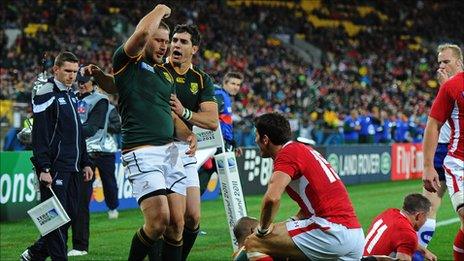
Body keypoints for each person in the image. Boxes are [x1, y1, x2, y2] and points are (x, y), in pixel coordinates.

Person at [87, 5, 197, 260]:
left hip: (171, 152)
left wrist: (187, 134)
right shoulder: (128, 62)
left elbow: (168, 113)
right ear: (146, 39)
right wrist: (159, 9)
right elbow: (138, 37)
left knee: (176, 226)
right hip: (142, 151)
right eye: (158, 40)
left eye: (166, 42)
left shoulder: (165, 75)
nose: (164, 46)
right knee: (159, 220)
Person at [239, 112, 364, 260]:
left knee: (254, 243)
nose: (255, 140)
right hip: (355, 236)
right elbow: (312, 202)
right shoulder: (303, 150)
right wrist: (289, 222)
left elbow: (272, 198)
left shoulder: (286, 154)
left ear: (265, 139)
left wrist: (262, 230)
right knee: (284, 247)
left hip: (332, 231)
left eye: (257, 135)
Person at [21, 51, 94, 261]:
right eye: (67, 71)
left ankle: (34, 254)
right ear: (56, 70)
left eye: (74, 71)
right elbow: (40, 134)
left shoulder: (70, 94)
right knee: (56, 222)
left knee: (67, 218)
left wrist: (86, 161)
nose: (72, 76)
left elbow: (77, 132)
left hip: (73, 167)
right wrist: (43, 168)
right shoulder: (46, 93)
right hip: (54, 168)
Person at [164, 24, 218, 260]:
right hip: (159, 147)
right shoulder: (158, 70)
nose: (176, 44)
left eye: (183, 42)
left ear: (194, 49)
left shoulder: (202, 79)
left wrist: (185, 112)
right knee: (166, 219)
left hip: (185, 149)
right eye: (174, 40)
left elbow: (212, 121)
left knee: (193, 217)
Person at [67, 71, 120, 257]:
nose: (81, 85)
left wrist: (67, 131)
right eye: (79, 81)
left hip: (100, 150)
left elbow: (96, 127)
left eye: (84, 82)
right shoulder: (71, 98)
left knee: (104, 184)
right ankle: (58, 242)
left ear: (93, 82)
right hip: (77, 151)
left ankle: (81, 244)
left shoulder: (102, 101)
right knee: (73, 198)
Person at [417, 43, 463, 252]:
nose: (441, 66)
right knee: (427, 208)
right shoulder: (445, 87)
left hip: (455, 150)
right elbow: (434, 123)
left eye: (446, 61)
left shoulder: (453, 85)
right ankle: (416, 255)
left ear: (459, 62)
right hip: (443, 152)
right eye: (439, 63)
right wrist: (427, 165)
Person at [198, 72, 244, 195]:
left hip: (222, 145)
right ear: (225, 83)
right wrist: (211, 145)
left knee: (202, 182)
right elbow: (208, 117)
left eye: (238, 85)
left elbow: (224, 125)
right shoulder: (219, 96)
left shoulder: (224, 97)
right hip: (218, 147)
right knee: (232, 185)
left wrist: (233, 143)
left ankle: (187, 211)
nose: (236, 87)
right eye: (233, 83)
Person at [363, 193, 435, 261]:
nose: (425, 220)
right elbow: (406, 238)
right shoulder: (407, 232)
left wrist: (424, 251)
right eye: (426, 217)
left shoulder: (390, 212)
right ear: (419, 216)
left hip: (362, 257)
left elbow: (403, 239)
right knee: (416, 258)